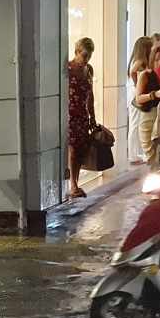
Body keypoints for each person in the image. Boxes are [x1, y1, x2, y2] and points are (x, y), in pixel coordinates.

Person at [66, 37, 99, 201]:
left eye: (89, 56)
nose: (87, 59)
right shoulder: (68, 69)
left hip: (82, 115)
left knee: (79, 150)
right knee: (72, 150)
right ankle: (73, 185)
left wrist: (92, 116)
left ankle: (75, 183)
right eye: (84, 55)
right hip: (69, 114)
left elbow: (90, 95)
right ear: (77, 52)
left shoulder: (89, 70)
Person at [133, 40, 160, 165]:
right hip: (148, 117)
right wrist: (154, 95)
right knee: (151, 154)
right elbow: (138, 98)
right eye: (156, 60)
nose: (159, 63)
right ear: (152, 60)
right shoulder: (146, 75)